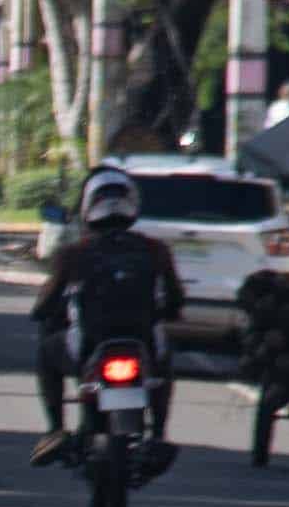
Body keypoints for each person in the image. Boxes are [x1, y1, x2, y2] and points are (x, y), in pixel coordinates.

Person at [34, 173, 187, 458]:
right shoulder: (155, 250)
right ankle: (159, 433)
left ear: (88, 207)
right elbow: (176, 297)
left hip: (88, 345)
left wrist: (42, 312)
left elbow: (47, 302)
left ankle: (55, 429)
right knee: (164, 366)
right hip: (144, 343)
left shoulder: (73, 253)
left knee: (46, 353)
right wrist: (168, 311)